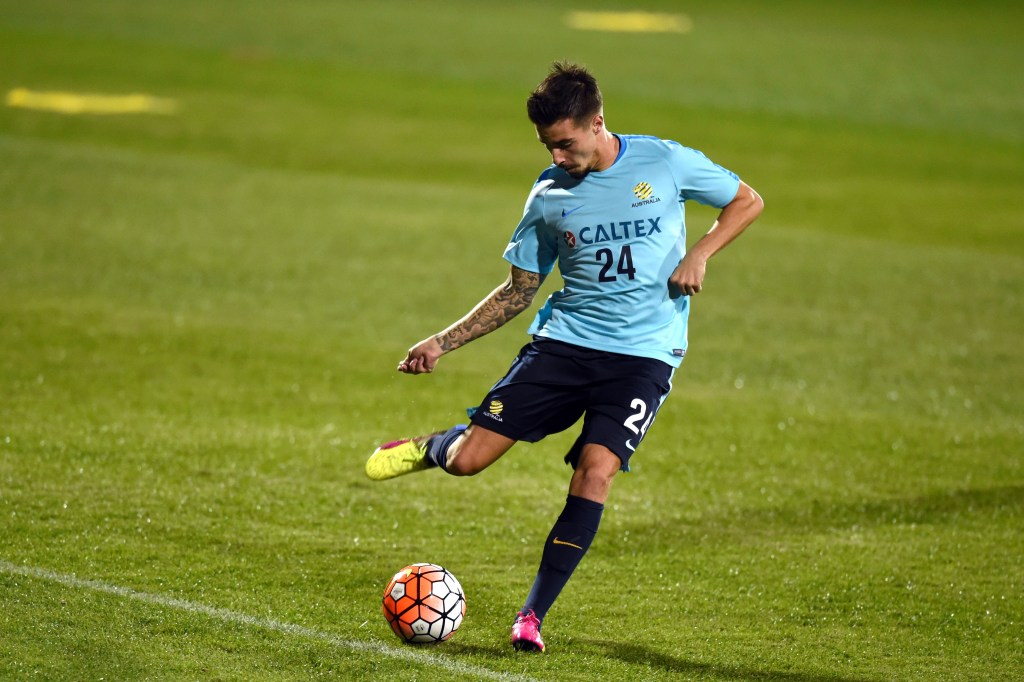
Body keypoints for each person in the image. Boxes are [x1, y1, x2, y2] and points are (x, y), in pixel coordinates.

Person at [365, 61, 763, 652]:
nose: (557, 157)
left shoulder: (664, 162)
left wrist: (701, 252)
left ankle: (532, 617)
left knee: (596, 470)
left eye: (566, 144)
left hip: (645, 357)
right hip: (565, 345)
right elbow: (519, 290)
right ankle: (434, 447)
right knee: (470, 461)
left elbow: (747, 201)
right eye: (549, 146)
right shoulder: (549, 197)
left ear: (598, 122)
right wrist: (440, 342)